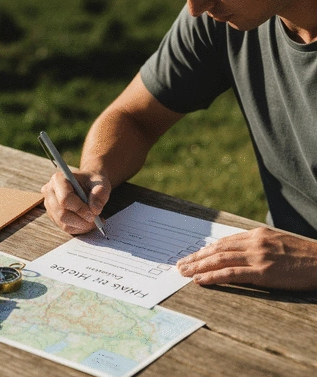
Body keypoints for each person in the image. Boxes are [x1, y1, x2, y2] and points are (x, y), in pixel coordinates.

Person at [41, 0, 317, 291]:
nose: (196, 7)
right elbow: (134, 117)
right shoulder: (222, 18)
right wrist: (95, 174)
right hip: (273, 270)